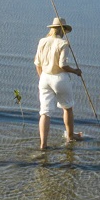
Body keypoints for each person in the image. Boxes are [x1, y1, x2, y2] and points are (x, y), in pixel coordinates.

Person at [33, 16, 85, 148]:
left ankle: (43, 144)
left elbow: (37, 64)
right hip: (60, 78)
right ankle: (70, 136)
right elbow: (62, 65)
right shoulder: (63, 44)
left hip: (44, 77)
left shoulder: (42, 41)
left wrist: (42, 78)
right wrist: (75, 71)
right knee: (67, 108)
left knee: (45, 112)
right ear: (62, 30)